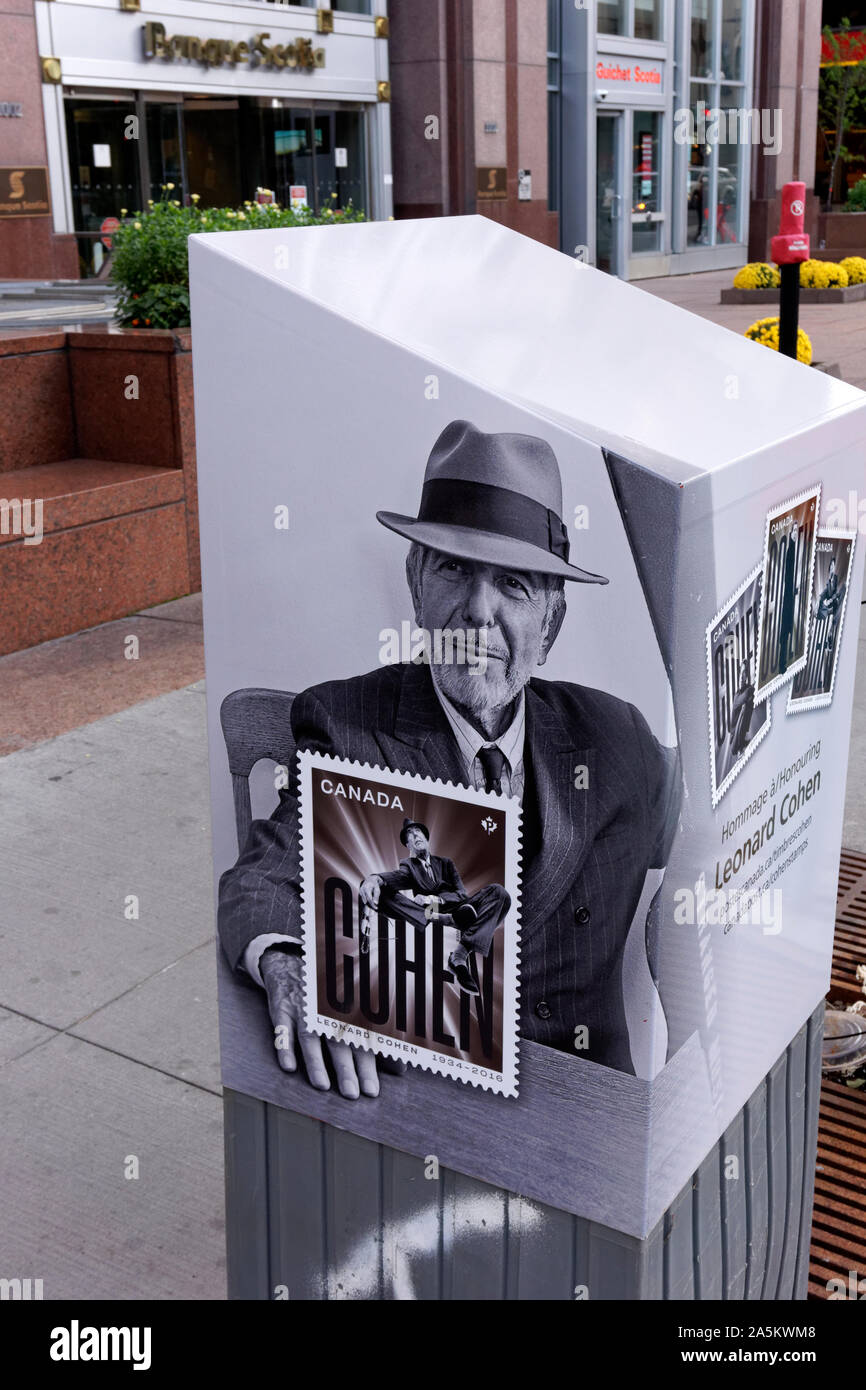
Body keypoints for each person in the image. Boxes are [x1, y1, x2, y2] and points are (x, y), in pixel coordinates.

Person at [218, 420, 681, 1099]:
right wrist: (293, 966)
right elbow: (258, 883)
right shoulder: (349, 729)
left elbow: (719, 831)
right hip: (421, 1099)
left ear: (550, 623)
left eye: (516, 586)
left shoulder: (618, 740)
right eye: (455, 570)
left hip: (587, 1107)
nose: (478, 613)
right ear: (416, 584)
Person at [361, 817, 511, 996]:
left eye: (418, 832)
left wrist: (435, 898)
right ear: (408, 845)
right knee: (375, 888)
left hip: (462, 909)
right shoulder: (409, 866)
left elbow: (461, 894)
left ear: (426, 838)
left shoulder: (445, 863)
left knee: (500, 893)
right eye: (410, 834)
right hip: (428, 913)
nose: (415, 834)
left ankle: (459, 955)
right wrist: (374, 879)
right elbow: (392, 878)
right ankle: (444, 922)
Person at [778, 522, 798, 676]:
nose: (796, 533)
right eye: (795, 530)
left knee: (787, 632)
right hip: (786, 599)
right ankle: (781, 665)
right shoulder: (791, 549)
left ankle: (783, 664)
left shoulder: (795, 547)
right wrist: (791, 591)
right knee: (785, 633)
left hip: (790, 598)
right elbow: (788, 573)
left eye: (797, 531)